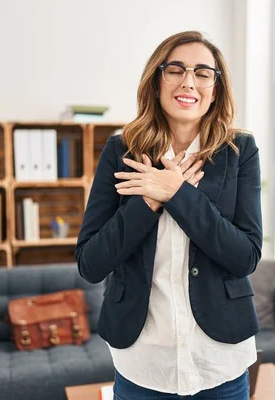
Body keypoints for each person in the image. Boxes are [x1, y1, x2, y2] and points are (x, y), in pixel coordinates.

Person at [74, 30, 263, 400]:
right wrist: (148, 203)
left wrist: (177, 193)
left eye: (203, 72)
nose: (188, 81)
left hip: (219, 361)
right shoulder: (120, 150)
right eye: (175, 69)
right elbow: (91, 263)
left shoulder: (240, 151)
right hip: (144, 363)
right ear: (156, 80)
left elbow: (245, 256)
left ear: (216, 88)